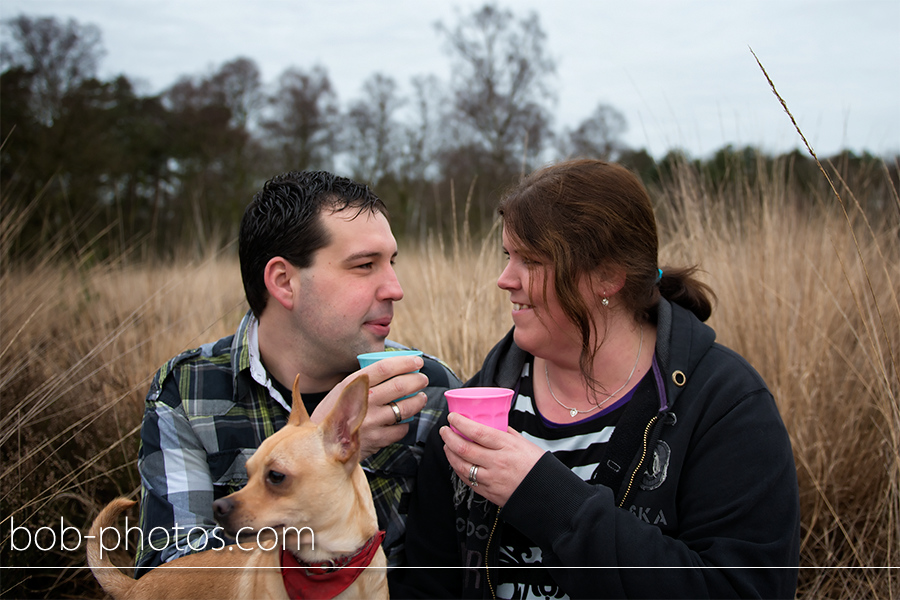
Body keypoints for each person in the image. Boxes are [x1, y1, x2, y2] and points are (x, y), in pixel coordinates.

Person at [393, 159, 800, 599]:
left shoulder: (725, 405)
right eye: (507, 256)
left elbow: (742, 589)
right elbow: (426, 585)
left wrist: (546, 498)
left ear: (608, 275)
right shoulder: (477, 403)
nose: (504, 279)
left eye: (531, 260)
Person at [134, 170, 460, 575]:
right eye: (364, 266)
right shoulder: (189, 391)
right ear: (284, 282)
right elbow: (170, 575)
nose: (395, 288)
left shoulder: (427, 389)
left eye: (390, 262)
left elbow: (463, 572)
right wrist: (312, 449)